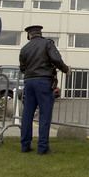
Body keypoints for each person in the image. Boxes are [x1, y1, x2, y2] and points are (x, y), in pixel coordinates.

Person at [19, 25, 70, 154]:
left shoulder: (24, 48)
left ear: (29, 35)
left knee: (27, 114)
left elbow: (22, 68)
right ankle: (42, 147)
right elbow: (56, 59)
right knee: (44, 115)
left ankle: (25, 145)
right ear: (40, 33)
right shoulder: (47, 44)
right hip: (43, 81)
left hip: (29, 82)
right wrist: (66, 69)